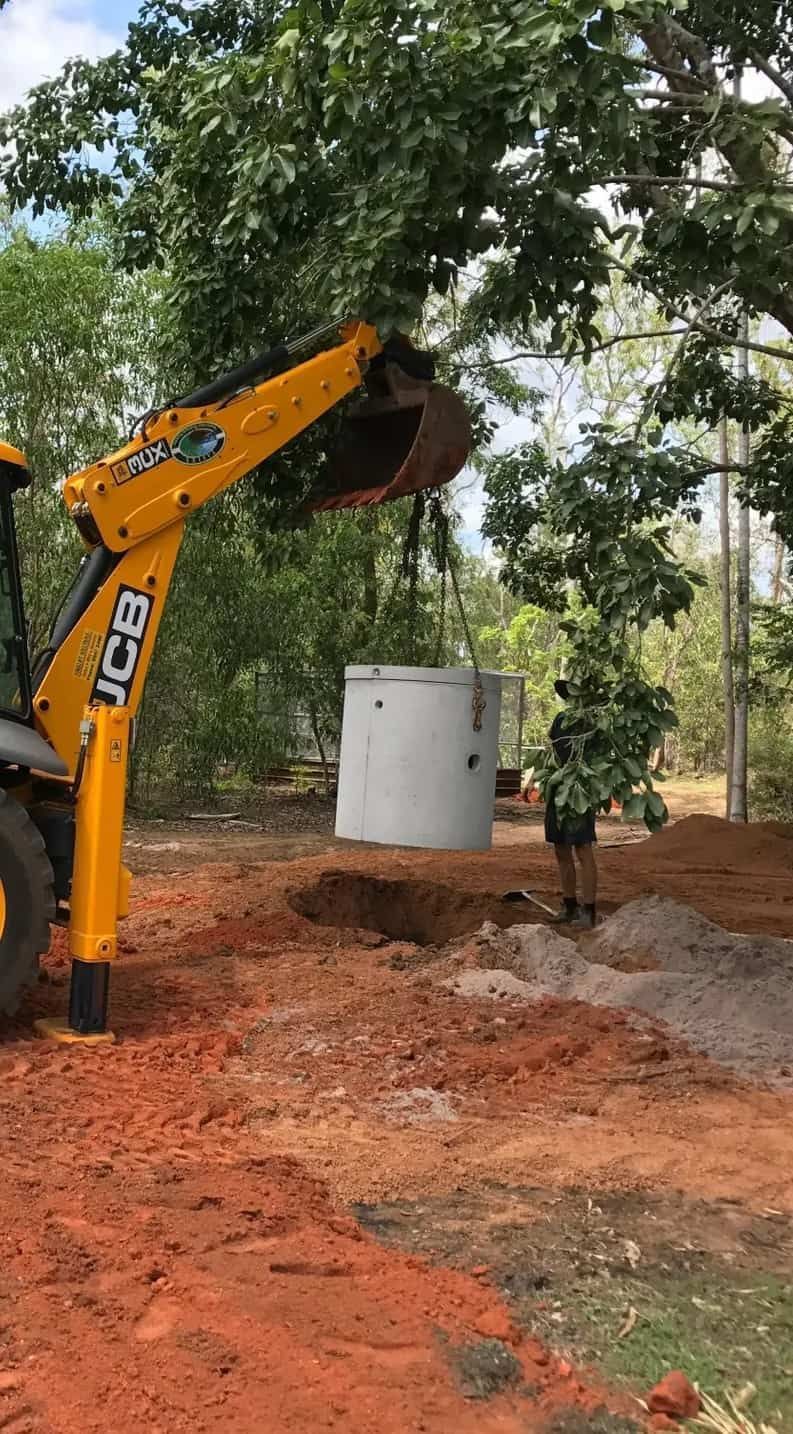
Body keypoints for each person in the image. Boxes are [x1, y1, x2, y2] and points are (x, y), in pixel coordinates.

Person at [546, 679, 598, 929]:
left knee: (582, 848)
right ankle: (569, 905)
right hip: (559, 787)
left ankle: (589, 910)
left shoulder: (593, 723)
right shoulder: (560, 719)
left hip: (581, 789)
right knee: (560, 848)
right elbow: (554, 749)